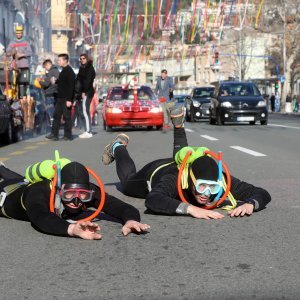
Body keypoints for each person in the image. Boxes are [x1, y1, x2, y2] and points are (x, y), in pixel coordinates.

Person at [101, 107, 271, 220]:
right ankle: (118, 146)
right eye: (202, 186)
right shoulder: (173, 180)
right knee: (127, 182)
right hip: (155, 172)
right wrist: (190, 209)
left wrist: (251, 204)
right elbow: (153, 200)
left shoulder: (221, 178)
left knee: (183, 157)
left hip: (184, 164)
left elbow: (261, 192)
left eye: (213, 188)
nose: (207, 193)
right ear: (191, 179)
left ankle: (178, 125)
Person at [0, 161, 150, 240]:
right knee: (15, 181)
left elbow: (119, 206)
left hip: (21, 183)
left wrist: (131, 219)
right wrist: (71, 229)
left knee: (18, 179)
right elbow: (41, 217)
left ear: (88, 190)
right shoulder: (39, 192)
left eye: (83, 195)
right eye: (69, 194)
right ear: (59, 188)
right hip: (6, 195)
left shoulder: (89, 189)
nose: (76, 200)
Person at [46, 54, 75, 141]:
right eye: (58, 60)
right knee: (56, 116)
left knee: (66, 117)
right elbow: (62, 82)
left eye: (60, 60)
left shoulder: (69, 71)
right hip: (60, 97)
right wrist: (56, 81)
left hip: (66, 98)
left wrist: (70, 100)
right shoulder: (62, 70)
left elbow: (71, 87)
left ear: (65, 60)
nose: (58, 62)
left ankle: (67, 135)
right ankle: (54, 134)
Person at [6, 25, 33, 98]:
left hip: (23, 67)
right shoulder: (12, 42)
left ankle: (22, 98)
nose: (19, 34)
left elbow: (30, 53)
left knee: (23, 84)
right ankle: (14, 98)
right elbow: (7, 53)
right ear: (15, 33)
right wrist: (12, 52)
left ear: (22, 33)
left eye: (20, 33)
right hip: (14, 67)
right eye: (17, 33)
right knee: (13, 84)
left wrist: (22, 54)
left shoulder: (26, 42)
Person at [77, 53, 96, 139]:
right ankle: (86, 130)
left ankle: (88, 131)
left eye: (84, 58)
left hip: (88, 92)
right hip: (83, 92)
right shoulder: (82, 68)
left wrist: (84, 91)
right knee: (83, 111)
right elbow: (79, 80)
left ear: (87, 59)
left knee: (85, 111)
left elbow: (88, 81)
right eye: (81, 59)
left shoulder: (89, 68)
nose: (82, 60)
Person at [39, 59, 60, 126]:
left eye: (45, 67)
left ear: (48, 65)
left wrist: (40, 81)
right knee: (55, 109)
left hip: (50, 93)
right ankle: (55, 124)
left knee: (50, 110)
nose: (45, 69)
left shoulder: (51, 72)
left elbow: (46, 84)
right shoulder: (56, 70)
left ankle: (53, 125)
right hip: (55, 92)